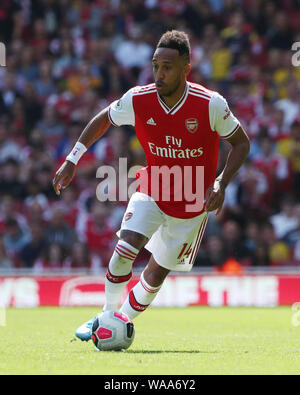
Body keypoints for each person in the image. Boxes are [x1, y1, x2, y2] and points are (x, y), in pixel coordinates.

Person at [52, 30, 250, 341]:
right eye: (156, 65)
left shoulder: (210, 104)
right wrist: (72, 158)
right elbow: (105, 117)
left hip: (191, 205)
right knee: (125, 246)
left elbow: (241, 143)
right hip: (153, 190)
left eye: (168, 67)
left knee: (156, 273)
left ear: (186, 68)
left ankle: (118, 320)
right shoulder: (139, 99)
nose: (159, 73)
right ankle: (105, 318)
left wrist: (221, 183)